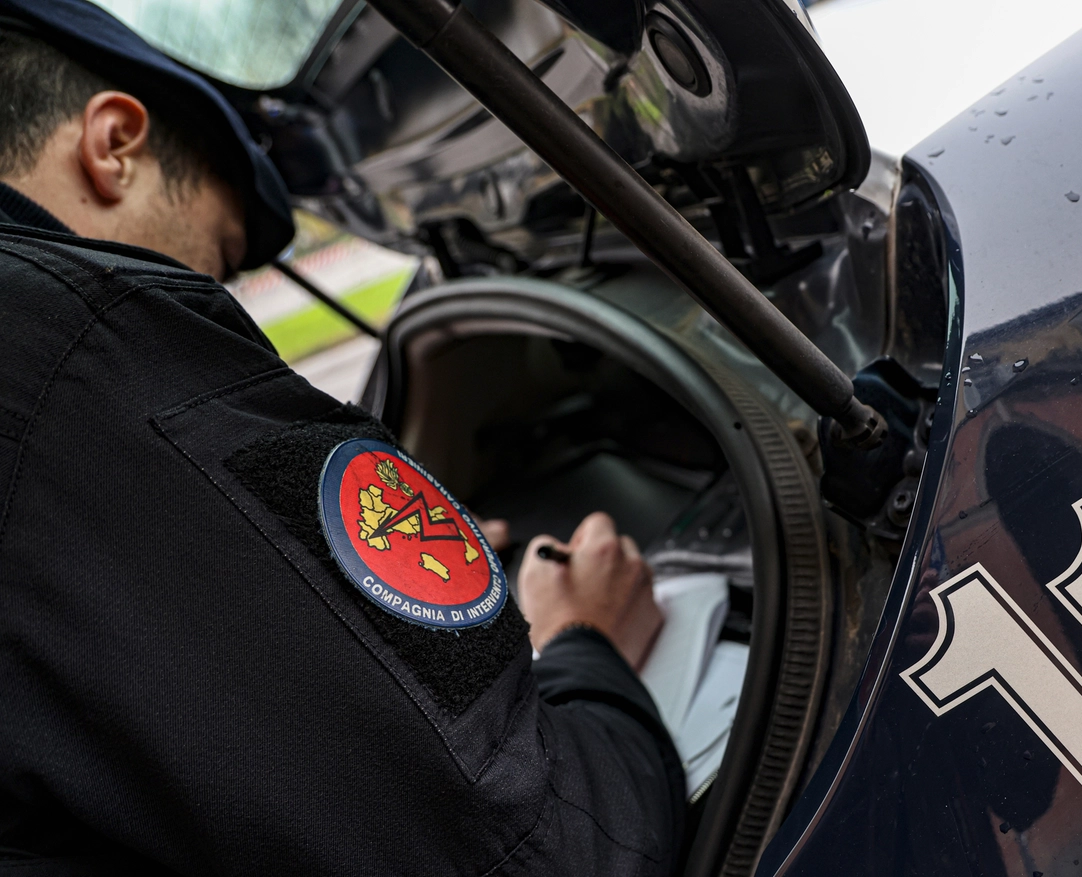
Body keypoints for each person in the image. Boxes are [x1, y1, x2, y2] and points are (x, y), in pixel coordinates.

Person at [0, 1, 681, 873]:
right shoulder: (78, 346)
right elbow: (543, 849)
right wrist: (584, 639)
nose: (214, 293)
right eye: (218, 255)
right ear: (114, 144)